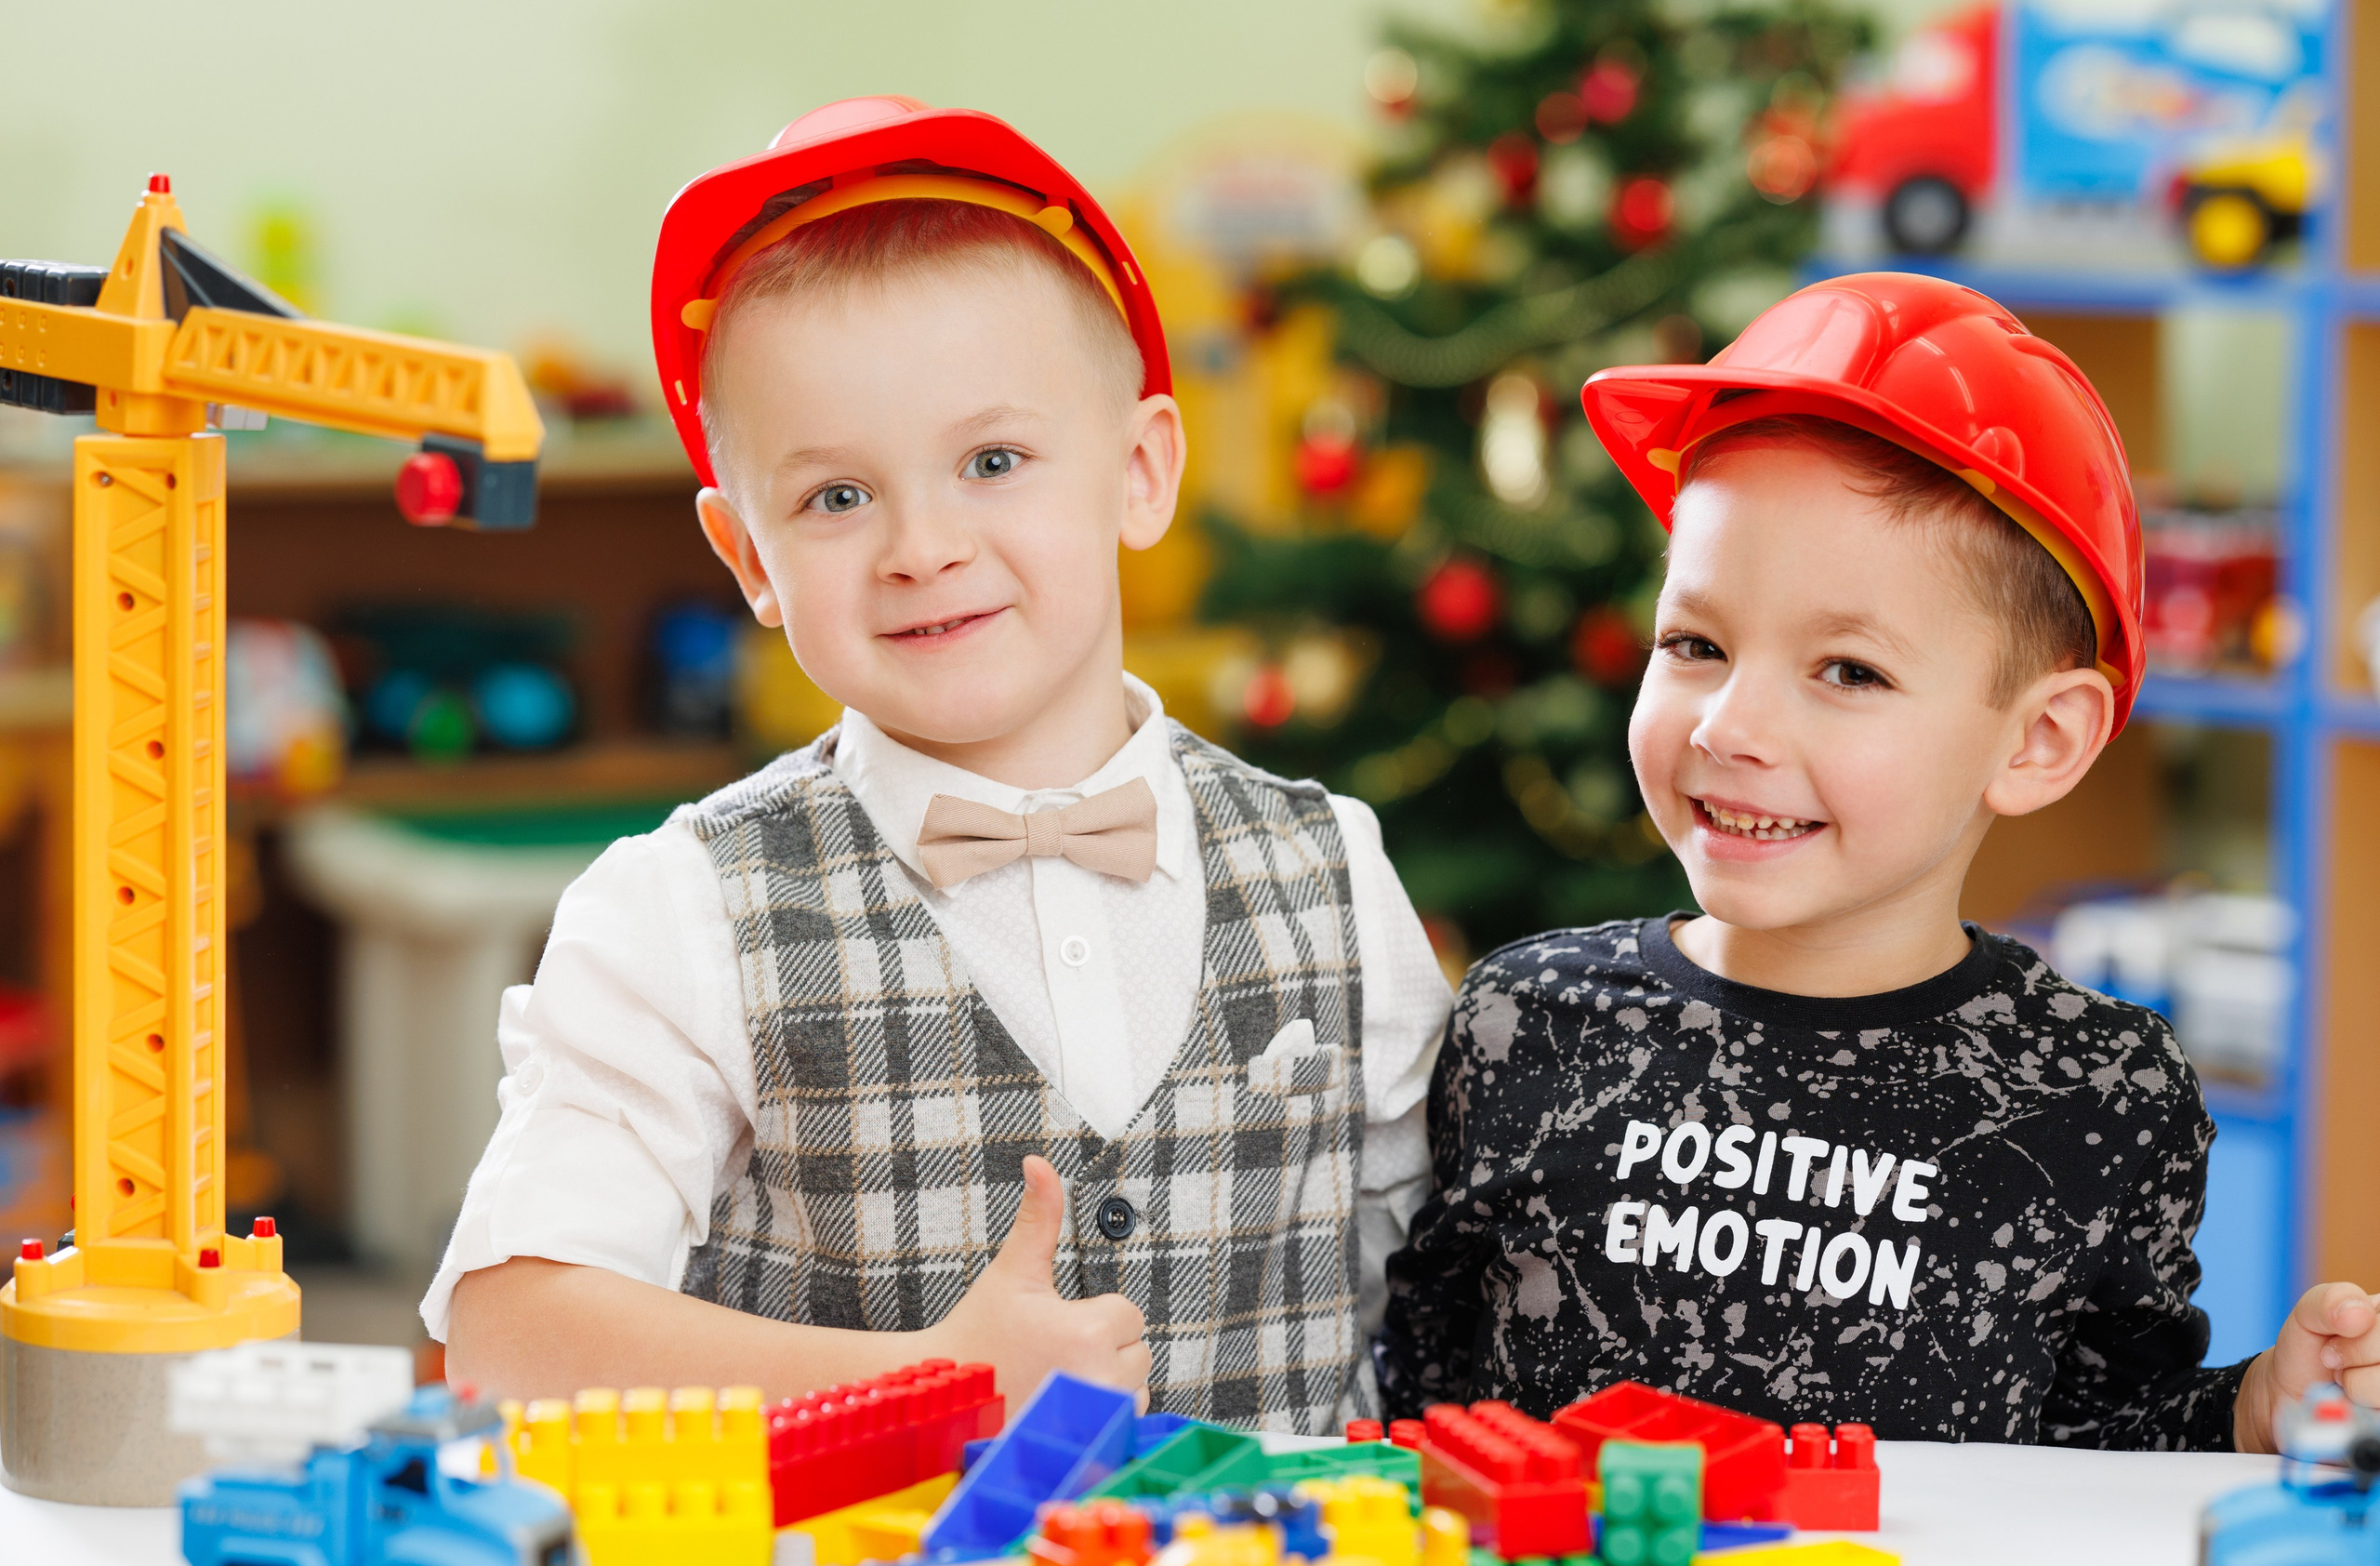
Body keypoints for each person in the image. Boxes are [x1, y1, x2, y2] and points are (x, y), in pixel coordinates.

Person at [430, 99, 1450, 1431]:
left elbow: (1436, 1301)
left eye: (993, 460)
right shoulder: (681, 912)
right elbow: (512, 1335)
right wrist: (935, 1386)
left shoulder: (1333, 868)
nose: (922, 544)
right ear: (748, 559)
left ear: (1140, 472)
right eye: (836, 497)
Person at [1376, 274, 2379, 1450]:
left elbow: (2106, 1442)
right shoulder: (1524, 1020)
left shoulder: (2101, 1094)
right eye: (1695, 643)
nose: (1727, 728)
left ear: (2037, 739)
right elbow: (1415, 1392)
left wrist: (2253, 1409)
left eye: (1847, 671)